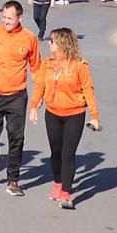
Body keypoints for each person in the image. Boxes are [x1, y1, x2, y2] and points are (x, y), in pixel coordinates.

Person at [0, 0, 41, 196]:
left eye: (10, 18)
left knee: (16, 137)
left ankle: (13, 179)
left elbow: (36, 67)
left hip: (17, 96)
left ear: (20, 18)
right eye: (4, 17)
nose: (6, 21)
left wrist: (39, 93)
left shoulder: (29, 38)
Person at [29, 27, 100, 210]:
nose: (49, 44)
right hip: (52, 113)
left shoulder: (79, 65)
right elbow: (40, 86)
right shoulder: (48, 63)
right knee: (56, 152)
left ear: (61, 43)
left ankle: (67, 192)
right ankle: (58, 182)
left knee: (68, 154)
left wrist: (94, 116)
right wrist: (34, 105)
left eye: (51, 41)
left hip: (74, 114)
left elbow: (88, 90)